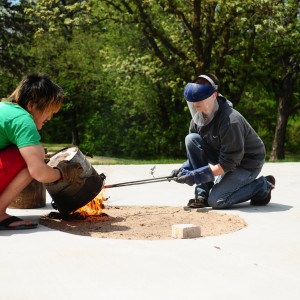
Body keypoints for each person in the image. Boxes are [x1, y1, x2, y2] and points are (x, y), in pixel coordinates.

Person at [170, 73, 275, 209]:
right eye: (192, 101)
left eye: (200, 99)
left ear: (214, 95)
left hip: (247, 163)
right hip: (223, 157)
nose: (195, 104)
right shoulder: (198, 118)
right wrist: (183, 169)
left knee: (217, 201)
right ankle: (202, 195)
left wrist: (196, 176)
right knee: (191, 139)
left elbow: (229, 163)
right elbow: (196, 156)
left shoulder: (230, 121)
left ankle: (263, 186)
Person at [0, 74, 83, 230]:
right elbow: (38, 172)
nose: (50, 117)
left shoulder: (5, 109)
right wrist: (64, 174)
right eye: (49, 110)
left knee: (31, 153)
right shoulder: (22, 119)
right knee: (30, 159)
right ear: (31, 104)